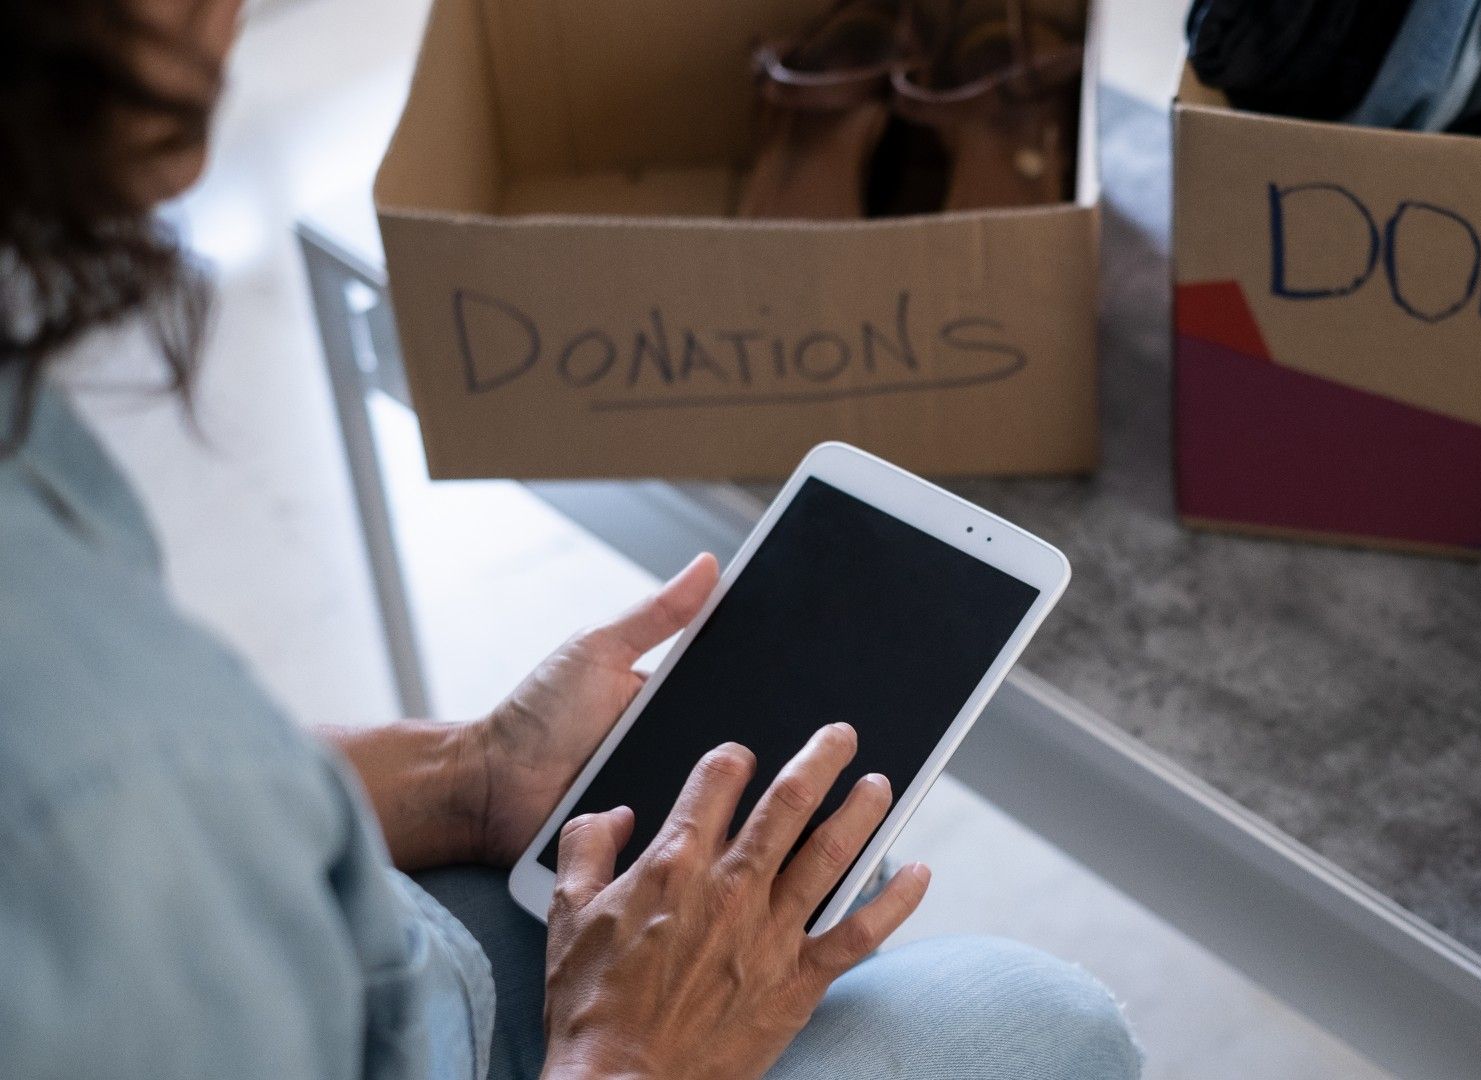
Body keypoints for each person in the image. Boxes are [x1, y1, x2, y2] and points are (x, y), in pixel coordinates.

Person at [0, 2, 1142, 1078]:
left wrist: (464, 776)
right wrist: (630, 1047)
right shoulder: (98, 779)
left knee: (790, 853)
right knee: (1042, 1022)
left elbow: (190, 827)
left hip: (336, 948)